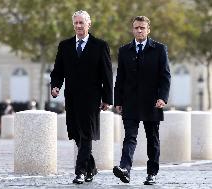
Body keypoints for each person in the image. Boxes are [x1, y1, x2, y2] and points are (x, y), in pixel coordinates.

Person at [50, 10, 113, 184]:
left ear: (89, 24)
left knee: (86, 135)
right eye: (76, 23)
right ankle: (91, 167)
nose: (78, 26)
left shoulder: (100, 46)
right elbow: (58, 71)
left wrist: (107, 98)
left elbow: (107, 74)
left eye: (81, 23)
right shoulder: (65, 46)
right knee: (77, 135)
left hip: (92, 99)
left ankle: (80, 172)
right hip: (71, 98)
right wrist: (55, 86)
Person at [113, 16, 171, 185]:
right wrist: (118, 101)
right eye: (136, 27)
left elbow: (165, 76)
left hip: (152, 102)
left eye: (142, 28)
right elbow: (120, 78)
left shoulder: (160, 49)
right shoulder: (124, 50)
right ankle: (125, 169)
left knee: (152, 139)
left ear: (148, 30)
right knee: (129, 137)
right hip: (130, 101)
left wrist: (163, 97)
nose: (139, 30)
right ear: (133, 29)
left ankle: (152, 173)